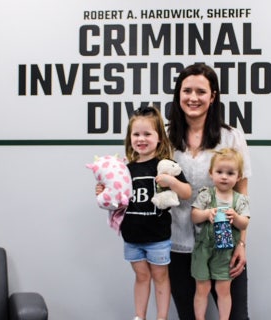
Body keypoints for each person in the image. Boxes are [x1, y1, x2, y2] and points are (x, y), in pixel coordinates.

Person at [167, 63, 252, 320]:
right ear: (178, 94)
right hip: (176, 244)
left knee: (237, 317)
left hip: (223, 242)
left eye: (201, 92)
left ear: (213, 96)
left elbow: (242, 193)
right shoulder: (165, 135)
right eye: (187, 90)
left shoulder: (231, 137)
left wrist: (242, 243)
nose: (193, 98)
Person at [97, 106, 192, 320]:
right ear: (130, 137)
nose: (141, 139)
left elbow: (186, 192)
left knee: (160, 276)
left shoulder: (166, 166)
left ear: (159, 138)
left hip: (158, 238)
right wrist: (102, 192)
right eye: (136, 134)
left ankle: (162, 316)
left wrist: (172, 182)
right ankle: (139, 316)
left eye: (147, 134)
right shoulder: (125, 170)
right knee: (141, 276)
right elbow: (114, 200)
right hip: (132, 238)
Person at [191, 148, 250, 320]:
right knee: (202, 287)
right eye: (219, 172)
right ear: (211, 173)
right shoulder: (206, 196)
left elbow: (245, 222)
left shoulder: (239, 200)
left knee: (223, 289)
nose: (224, 176)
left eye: (230, 173)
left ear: (238, 177)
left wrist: (236, 217)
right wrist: (206, 214)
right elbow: (194, 216)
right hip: (203, 249)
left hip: (226, 251)